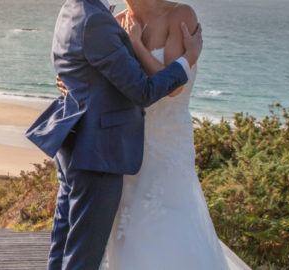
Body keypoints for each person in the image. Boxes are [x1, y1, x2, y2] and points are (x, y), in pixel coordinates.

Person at [48, 0, 252, 268]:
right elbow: (105, 71)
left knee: (169, 224)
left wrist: (137, 45)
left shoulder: (180, 15)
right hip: (122, 143)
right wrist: (75, 84)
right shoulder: (113, 20)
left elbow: (171, 88)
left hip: (166, 141)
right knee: (113, 232)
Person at [25, 0, 201, 268]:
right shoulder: (102, 19)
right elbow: (142, 91)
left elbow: (88, 65)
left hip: (127, 144)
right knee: (83, 251)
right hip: (102, 149)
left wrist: (77, 83)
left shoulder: (74, 8)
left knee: (67, 241)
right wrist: (187, 61)